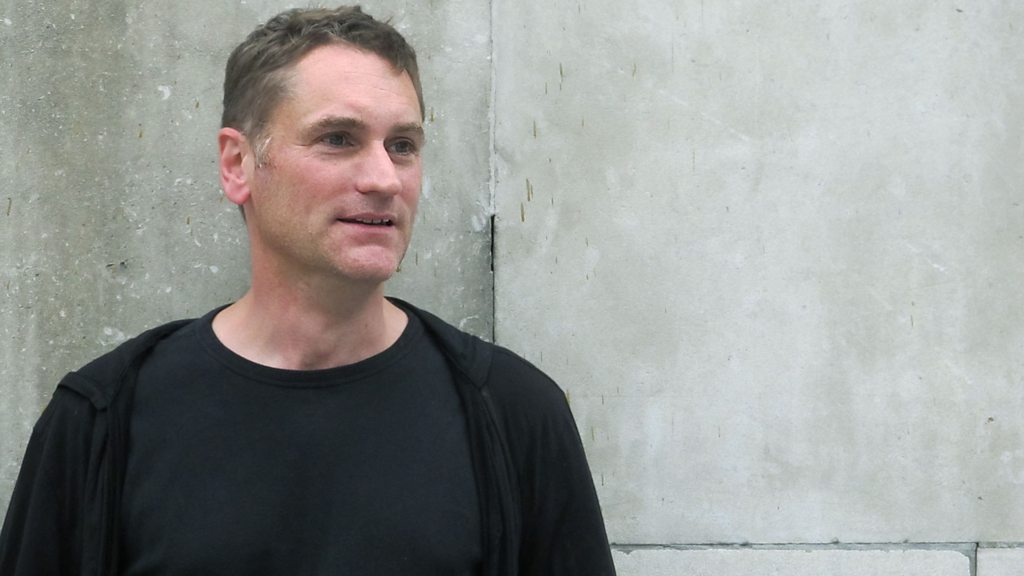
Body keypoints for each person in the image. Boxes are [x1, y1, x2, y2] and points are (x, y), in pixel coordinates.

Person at [0, 5, 615, 576]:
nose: (384, 178)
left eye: (402, 145)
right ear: (238, 165)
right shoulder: (102, 419)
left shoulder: (514, 414)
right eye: (338, 138)